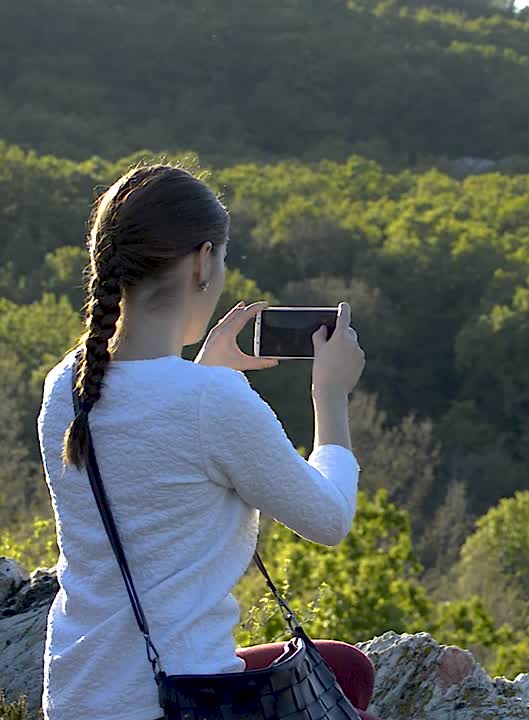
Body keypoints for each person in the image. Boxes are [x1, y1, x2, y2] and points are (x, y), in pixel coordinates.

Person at [34, 164, 380, 720]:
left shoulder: (66, 383)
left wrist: (204, 372)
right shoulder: (209, 401)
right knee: (349, 698)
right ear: (202, 261)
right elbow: (330, 518)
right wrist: (331, 395)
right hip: (172, 701)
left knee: (347, 668)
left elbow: (152, 444)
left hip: (80, 692)